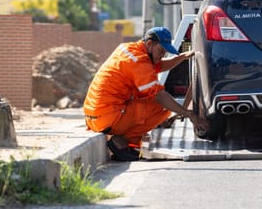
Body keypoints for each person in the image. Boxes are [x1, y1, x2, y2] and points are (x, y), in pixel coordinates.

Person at [83, 26, 209, 161]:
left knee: (148, 97)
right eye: (161, 51)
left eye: (165, 53)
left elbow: (157, 66)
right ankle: (122, 142)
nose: (162, 55)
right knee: (163, 107)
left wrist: (182, 57)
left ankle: (125, 139)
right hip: (108, 117)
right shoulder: (139, 62)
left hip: (94, 117)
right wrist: (190, 115)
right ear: (150, 44)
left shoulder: (129, 49)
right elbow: (159, 96)